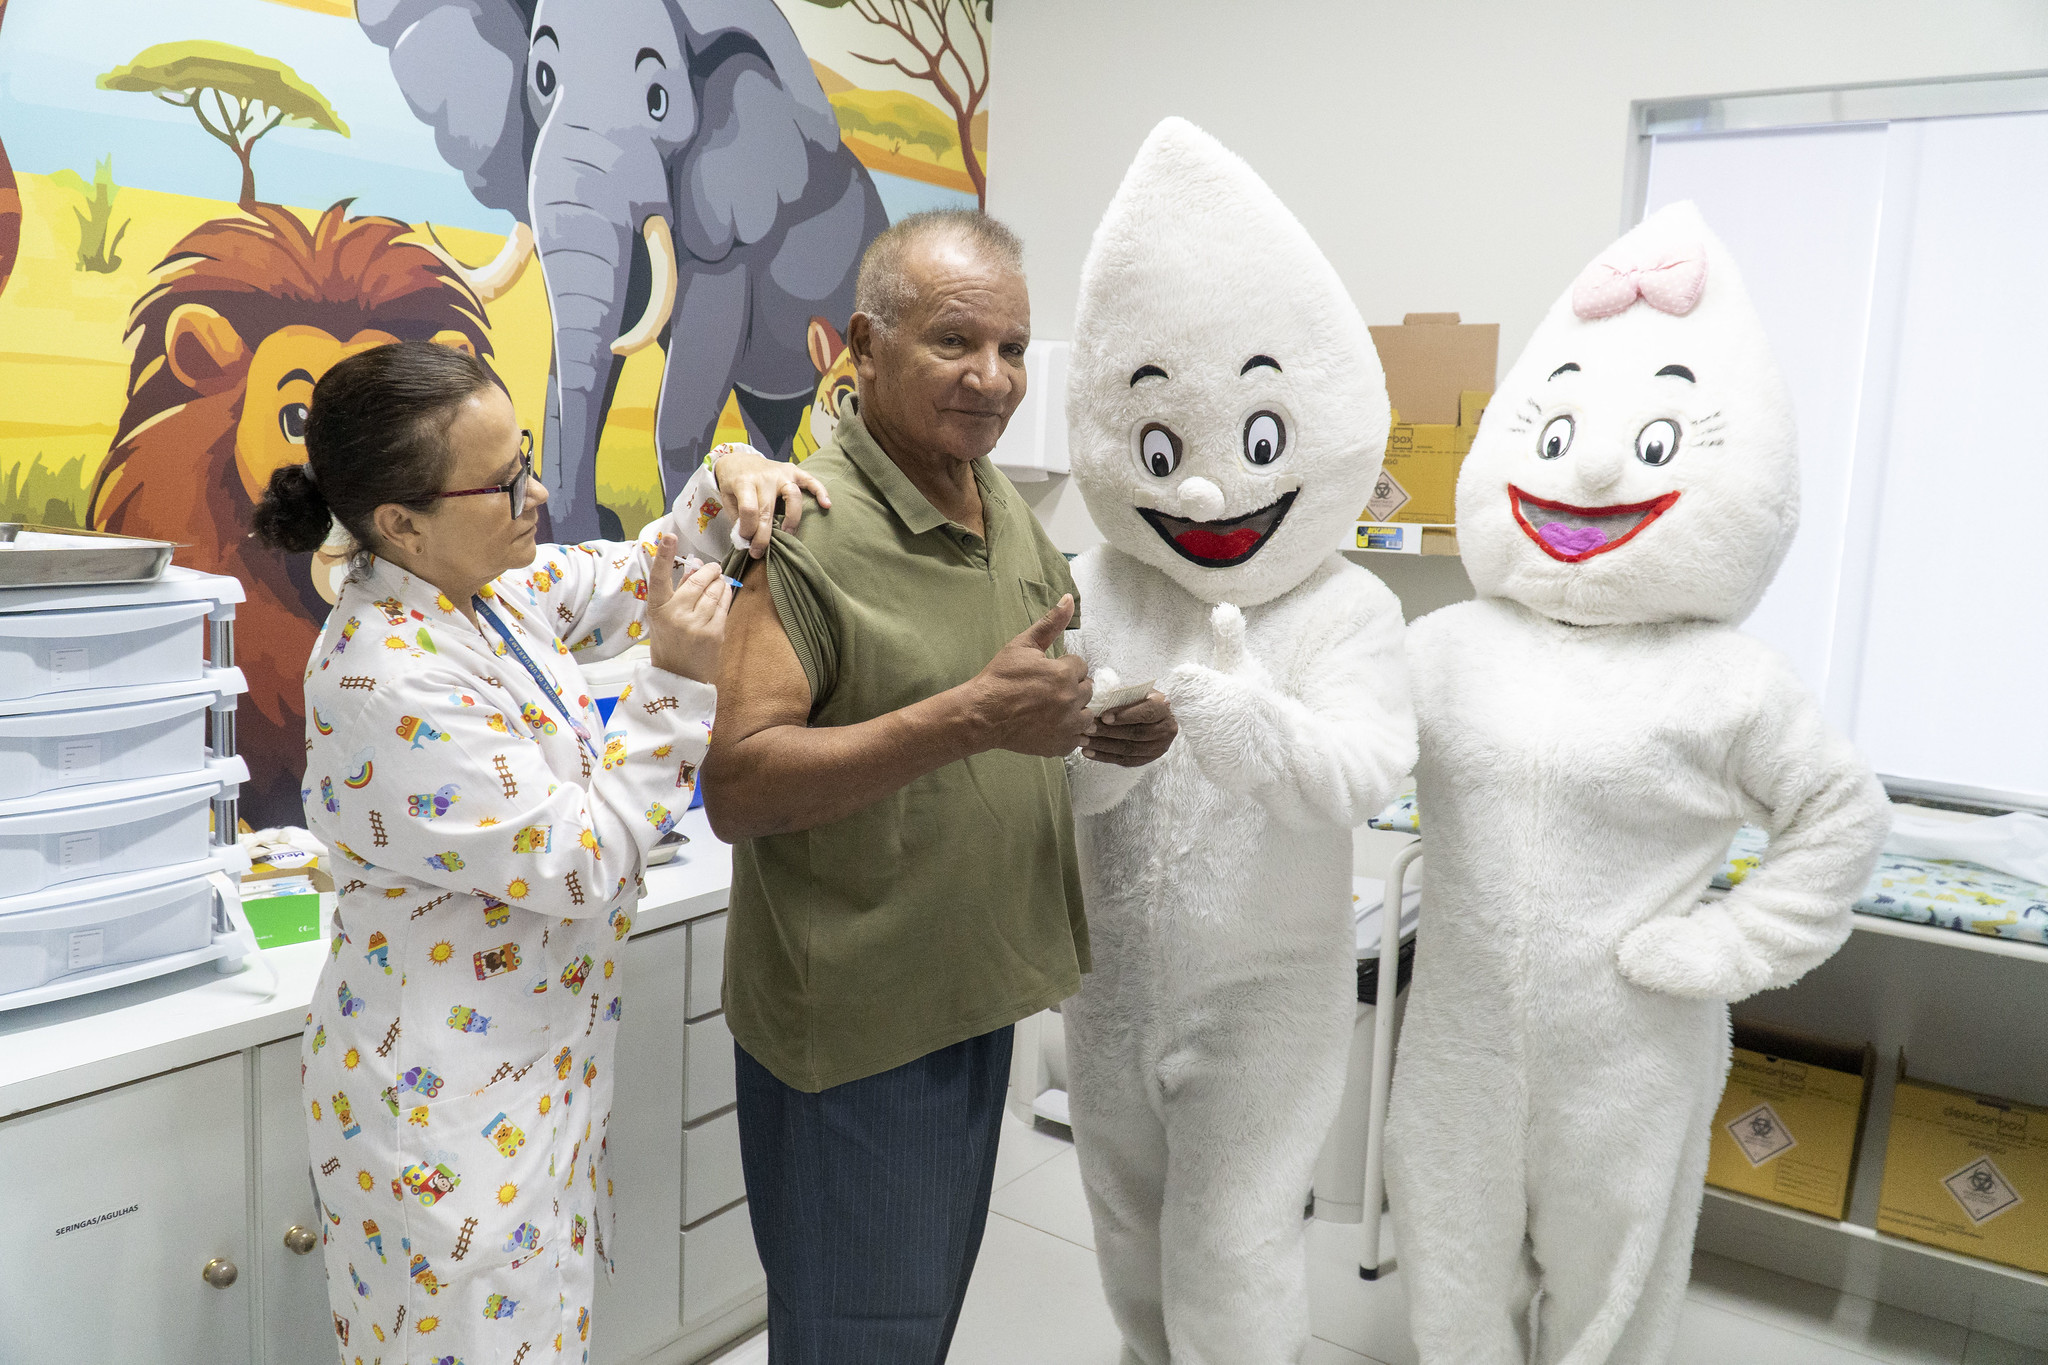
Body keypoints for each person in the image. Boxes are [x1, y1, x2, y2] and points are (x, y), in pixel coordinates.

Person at [251, 339, 817, 1365]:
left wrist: (726, 474)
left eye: (525, 459)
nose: (537, 494)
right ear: (400, 522)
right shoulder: (385, 675)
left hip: (530, 1072)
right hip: (443, 1107)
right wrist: (674, 683)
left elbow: (635, 573)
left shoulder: (488, 587)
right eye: (505, 481)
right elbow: (580, 860)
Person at [701, 209, 1179, 1363]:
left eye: (1011, 347)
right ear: (865, 347)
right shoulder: (805, 531)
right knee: (858, 1338)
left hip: (973, 991)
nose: (992, 376)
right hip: (861, 1030)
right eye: (955, 342)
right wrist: (969, 717)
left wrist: (1096, 726)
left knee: (913, 1329)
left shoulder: (995, 502)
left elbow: (1019, 693)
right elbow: (740, 787)